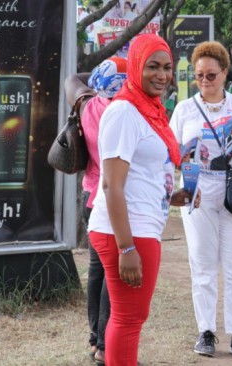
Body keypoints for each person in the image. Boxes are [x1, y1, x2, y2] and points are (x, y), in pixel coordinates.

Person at [87, 34, 199, 366]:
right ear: (136, 67)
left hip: (139, 224)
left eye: (167, 67)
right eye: (152, 66)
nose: (162, 75)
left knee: (131, 317)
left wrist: (173, 196)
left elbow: (141, 176)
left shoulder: (147, 110)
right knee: (128, 319)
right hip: (126, 231)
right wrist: (126, 248)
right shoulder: (124, 111)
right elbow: (111, 185)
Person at [169, 41, 232, 360]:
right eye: (199, 75)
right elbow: (171, 155)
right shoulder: (184, 109)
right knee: (203, 263)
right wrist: (183, 158)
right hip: (198, 189)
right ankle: (206, 331)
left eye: (211, 74)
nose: (205, 81)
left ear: (225, 72)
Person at [64, 56, 127, 365]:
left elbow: (74, 78)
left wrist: (101, 73)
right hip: (110, 199)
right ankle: (104, 346)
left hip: (89, 194)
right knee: (112, 274)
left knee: (97, 271)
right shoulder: (120, 113)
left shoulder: (88, 105)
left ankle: (94, 340)